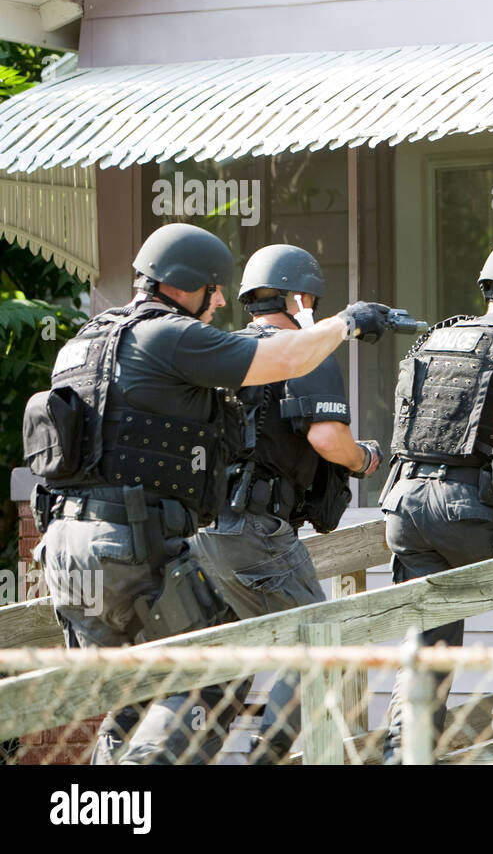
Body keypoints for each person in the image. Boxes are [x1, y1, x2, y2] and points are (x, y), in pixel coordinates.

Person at [24, 223, 393, 765]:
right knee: (214, 681)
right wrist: (347, 323)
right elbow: (287, 360)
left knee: (134, 692)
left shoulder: (85, 342)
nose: (221, 300)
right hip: (132, 545)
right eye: (213, 288)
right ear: (179, 284)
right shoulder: (169, 335)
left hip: (65, 552)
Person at [185, 244, 385, 764]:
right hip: (254, 534)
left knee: (223, 663)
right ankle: (266, 758)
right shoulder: (305, 347)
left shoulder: (225, 351)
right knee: (322, 644)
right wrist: (363, 459)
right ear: (300, 297)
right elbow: (327, 439)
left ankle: (182, 756)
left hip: (202, 534)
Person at [380, 238, 493, 764]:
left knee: (427, 642)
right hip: (470, 509)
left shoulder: (440, 337)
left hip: (404, 503)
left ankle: (404, 754)